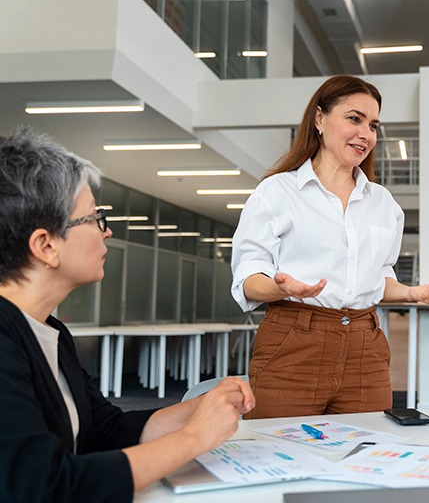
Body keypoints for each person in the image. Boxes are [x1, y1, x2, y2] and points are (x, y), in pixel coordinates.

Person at [0, 128, 255, 503]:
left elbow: (106, 431)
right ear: (46, 245)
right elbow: (42, 487)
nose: (108, 231)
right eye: (94, 218)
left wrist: (197, 409)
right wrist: (194, 437)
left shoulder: (48, 331)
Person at [231, 75, 429, 419]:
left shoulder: (383, 203)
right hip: (294, 341)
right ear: (319, 119)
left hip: (365, 349)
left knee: (367, 454)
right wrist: (280, 287)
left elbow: (377, 280)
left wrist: (413, 294)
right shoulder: (277, 192)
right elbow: (247, 276)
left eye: (373, 125)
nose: (366, 134)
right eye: (354, 119)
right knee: (275, 451)